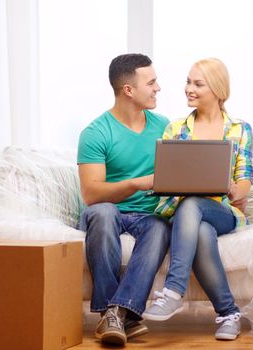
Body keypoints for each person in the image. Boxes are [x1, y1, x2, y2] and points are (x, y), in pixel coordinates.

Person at [142, 58, 253, 341]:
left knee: (193, 203)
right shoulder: (176, 129)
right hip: (186, 214)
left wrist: (232, 188)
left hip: (223, 211)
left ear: (217, 89)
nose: (188, 89)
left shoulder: (240, 129)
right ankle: (229, 314)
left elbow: (244, 182)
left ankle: (173, 290)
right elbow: (167, 178)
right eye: (188, 82)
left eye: (197, 84)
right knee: (200, 227)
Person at [77, 53, 171, 346]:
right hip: (107, 211)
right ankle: (117, 312)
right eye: (151, 82)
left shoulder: (164, 127)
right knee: (104, 214)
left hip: (148, 215)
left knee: (159, 227)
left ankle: (115, 313)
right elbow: (92, 194)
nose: (158, 88)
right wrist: (135, 184)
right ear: (128, 90)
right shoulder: (95, 132)